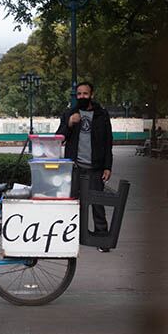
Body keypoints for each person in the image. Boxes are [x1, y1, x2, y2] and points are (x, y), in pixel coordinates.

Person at [56, 81, 113, 252]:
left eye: (85, 94)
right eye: (79, 94)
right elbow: (59, 138)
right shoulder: (69, 113)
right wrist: (70, 124)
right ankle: (71, 237)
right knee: (73, 204)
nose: (82, 97)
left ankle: (102, 239)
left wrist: (107, 167)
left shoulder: (102, 114)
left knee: (97, 204)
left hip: (95, 168)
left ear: (91, 95)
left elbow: (108, 142)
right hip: (74, 167)